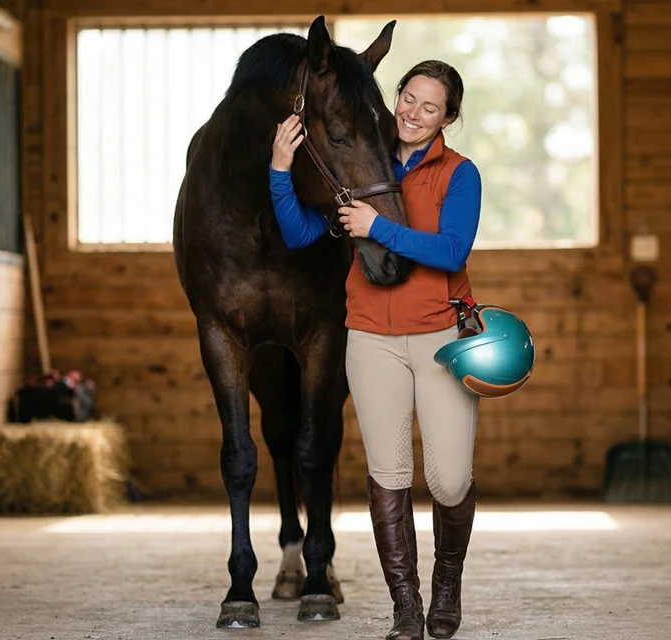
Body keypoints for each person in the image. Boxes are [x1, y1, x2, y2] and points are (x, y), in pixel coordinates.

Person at [269, 60, 482, 640]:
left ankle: (447, 584)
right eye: (407, 98)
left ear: (448, 118)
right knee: (389, 474)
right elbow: (302, 233)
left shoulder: (459, 174)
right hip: (369, 339)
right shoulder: (364, 162)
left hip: (441, 337)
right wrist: (281, 170)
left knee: (451, 480)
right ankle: (407, 610)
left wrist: (376, 225)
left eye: (429, 107)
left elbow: (452, 251)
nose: (412, 113)